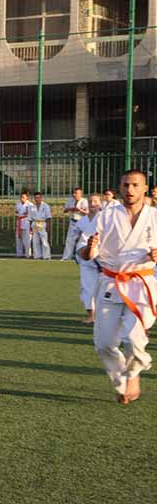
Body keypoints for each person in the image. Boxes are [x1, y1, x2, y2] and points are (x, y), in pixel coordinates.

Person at [81, 169, 157, 404]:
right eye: (126, 185)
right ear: (120, 188)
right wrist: (90, 248)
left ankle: (133, 373)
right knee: (104, 344)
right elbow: (84, 253)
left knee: (134, 340)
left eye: (135, 185)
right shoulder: (105, 216)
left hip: (141, 283)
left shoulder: (154, 217)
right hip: (111, 282)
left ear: (145, 188)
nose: (130, 190)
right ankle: (121, 380)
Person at [67, 193, 103, 324]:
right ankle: (91, 315)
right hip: (86, 256)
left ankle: (105, 315)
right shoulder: (82, 221)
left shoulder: (105, 218)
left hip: (103, 258)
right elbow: (74, 234)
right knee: (87, 287)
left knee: (105, 288)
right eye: (90, 201)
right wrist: (79, 238)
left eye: (95, 201)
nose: (92, 204)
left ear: (100, 204)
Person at [61, 188, 89, 260]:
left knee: (83, 239)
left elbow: (87, 213)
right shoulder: (70, 200)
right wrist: (71, 209)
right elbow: (65, 210)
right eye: (73, 193)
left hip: (82, 222)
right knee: (69, 240)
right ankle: (66, 257)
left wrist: (79, 210)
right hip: (73, 221)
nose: (74, 194)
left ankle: (82, 256)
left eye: (76, 193)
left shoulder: (84, 201)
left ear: (80, 194)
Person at [28, 192, 52, 260]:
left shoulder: (45, 206)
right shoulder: (32, 207)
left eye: (38, 197)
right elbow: (30, 218)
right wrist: (30, 227)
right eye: (35, 198)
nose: (37, 199)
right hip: (35, 223)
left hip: (42, 222)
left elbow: (48, 217)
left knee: (44, 240)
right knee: (35, 240)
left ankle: (46, 256)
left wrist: (48, 225)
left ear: (41, 198)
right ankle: (37, 255)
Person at [15, 191, 33, 258]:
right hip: (19, 222)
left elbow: (31, 214)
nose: (21, 198)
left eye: (23, 197)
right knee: (18, 239)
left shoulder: (30, 205)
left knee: (27, 240)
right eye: (21, 197)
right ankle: (19, 254)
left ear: (27, 198)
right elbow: (16, 212)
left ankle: (28, 254)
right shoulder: (18, 204)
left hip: (27, 222)